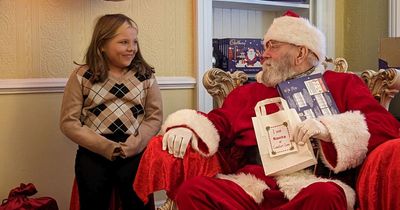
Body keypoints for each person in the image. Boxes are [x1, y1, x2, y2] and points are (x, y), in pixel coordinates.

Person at [134, 11, 400, 210]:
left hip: (313, 185)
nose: (263, 54)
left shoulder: (342, 85)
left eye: (273, 46)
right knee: (194, 191)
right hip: (253, 186)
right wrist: (186, 126)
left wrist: (331, 130)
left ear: (300, 53)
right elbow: (219, 122)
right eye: (265, 47)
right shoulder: (248, 93)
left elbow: (384, 126)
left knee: (326, 197)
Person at [60, 14, 162, 210]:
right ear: (102, 45)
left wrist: (136, 143)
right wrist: (105, 147)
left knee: (137, 202)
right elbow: (68, 122)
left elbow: (154, 117)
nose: (132, 48)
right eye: (124, 42)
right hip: (94, 151)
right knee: (93, 202)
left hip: (134, 150)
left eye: (134, 42)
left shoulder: (145, 75)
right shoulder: (82, 76)